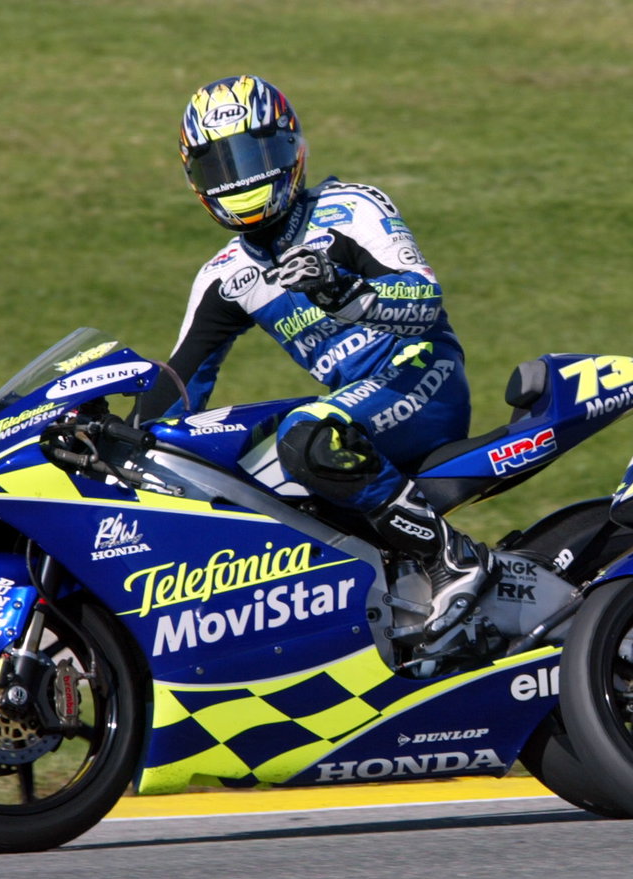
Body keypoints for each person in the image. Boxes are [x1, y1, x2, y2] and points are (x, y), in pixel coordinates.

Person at [133, 74, 490, 638]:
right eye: (219, 165)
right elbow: (178, 380)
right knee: (241, 468)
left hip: (424, 378)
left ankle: (451, 557)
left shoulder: (350, 208)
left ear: (290, 148)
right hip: (357, 407)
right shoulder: (225, 276)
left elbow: (424, 300)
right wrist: (119, 440)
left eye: (252, 156)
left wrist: (342, 291)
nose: (239, 177)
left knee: (305, 434)